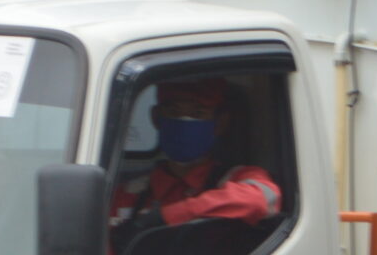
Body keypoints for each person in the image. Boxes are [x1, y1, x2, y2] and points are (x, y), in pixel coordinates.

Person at [111, 78, 283, 244]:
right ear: (156, 118)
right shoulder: (130, 193)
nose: (184, 122)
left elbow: (261, 199)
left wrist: (168, 216)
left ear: (220, 123)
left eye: (198, 113)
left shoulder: (239, 177)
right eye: (173, 112)